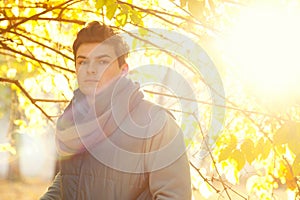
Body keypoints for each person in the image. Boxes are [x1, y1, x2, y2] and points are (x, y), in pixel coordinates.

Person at [40, 21, 191, 200]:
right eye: (83, 62)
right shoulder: (72, 124)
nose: (91, 70)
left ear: (123, 70)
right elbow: (69, 181)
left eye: (103, 61)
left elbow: (173, 197)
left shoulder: (157, 125)